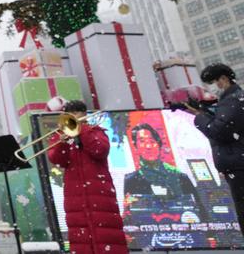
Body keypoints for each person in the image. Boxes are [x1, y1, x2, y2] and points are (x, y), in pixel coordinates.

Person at [46, 100, 127, 254]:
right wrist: (61, 143)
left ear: (84, 114)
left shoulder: (96, 132)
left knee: (108, 239)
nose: (74, 117)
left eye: (77, 113)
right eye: (70, 114)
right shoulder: (63, 136)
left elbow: (99, 150)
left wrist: (81, 130)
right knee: (81, 241)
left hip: (101, 196)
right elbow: (57, 160)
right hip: (75, 200)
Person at [185, 63, 244, 232]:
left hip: (238, 166)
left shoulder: (233, 100)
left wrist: (199, 117)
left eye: (211, 83)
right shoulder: (232, 100)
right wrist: (203, 111)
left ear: (223, 79)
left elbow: (219, 131)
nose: (210, 88)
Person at [121, 122, 207, 222]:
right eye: (142, 141)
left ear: (159, 145)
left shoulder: (180, 177)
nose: (148, 146)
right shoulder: (132, 180)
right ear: (136, 147)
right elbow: (129, 220)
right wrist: (127, 209)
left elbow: (200, 211)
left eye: (152, 141)